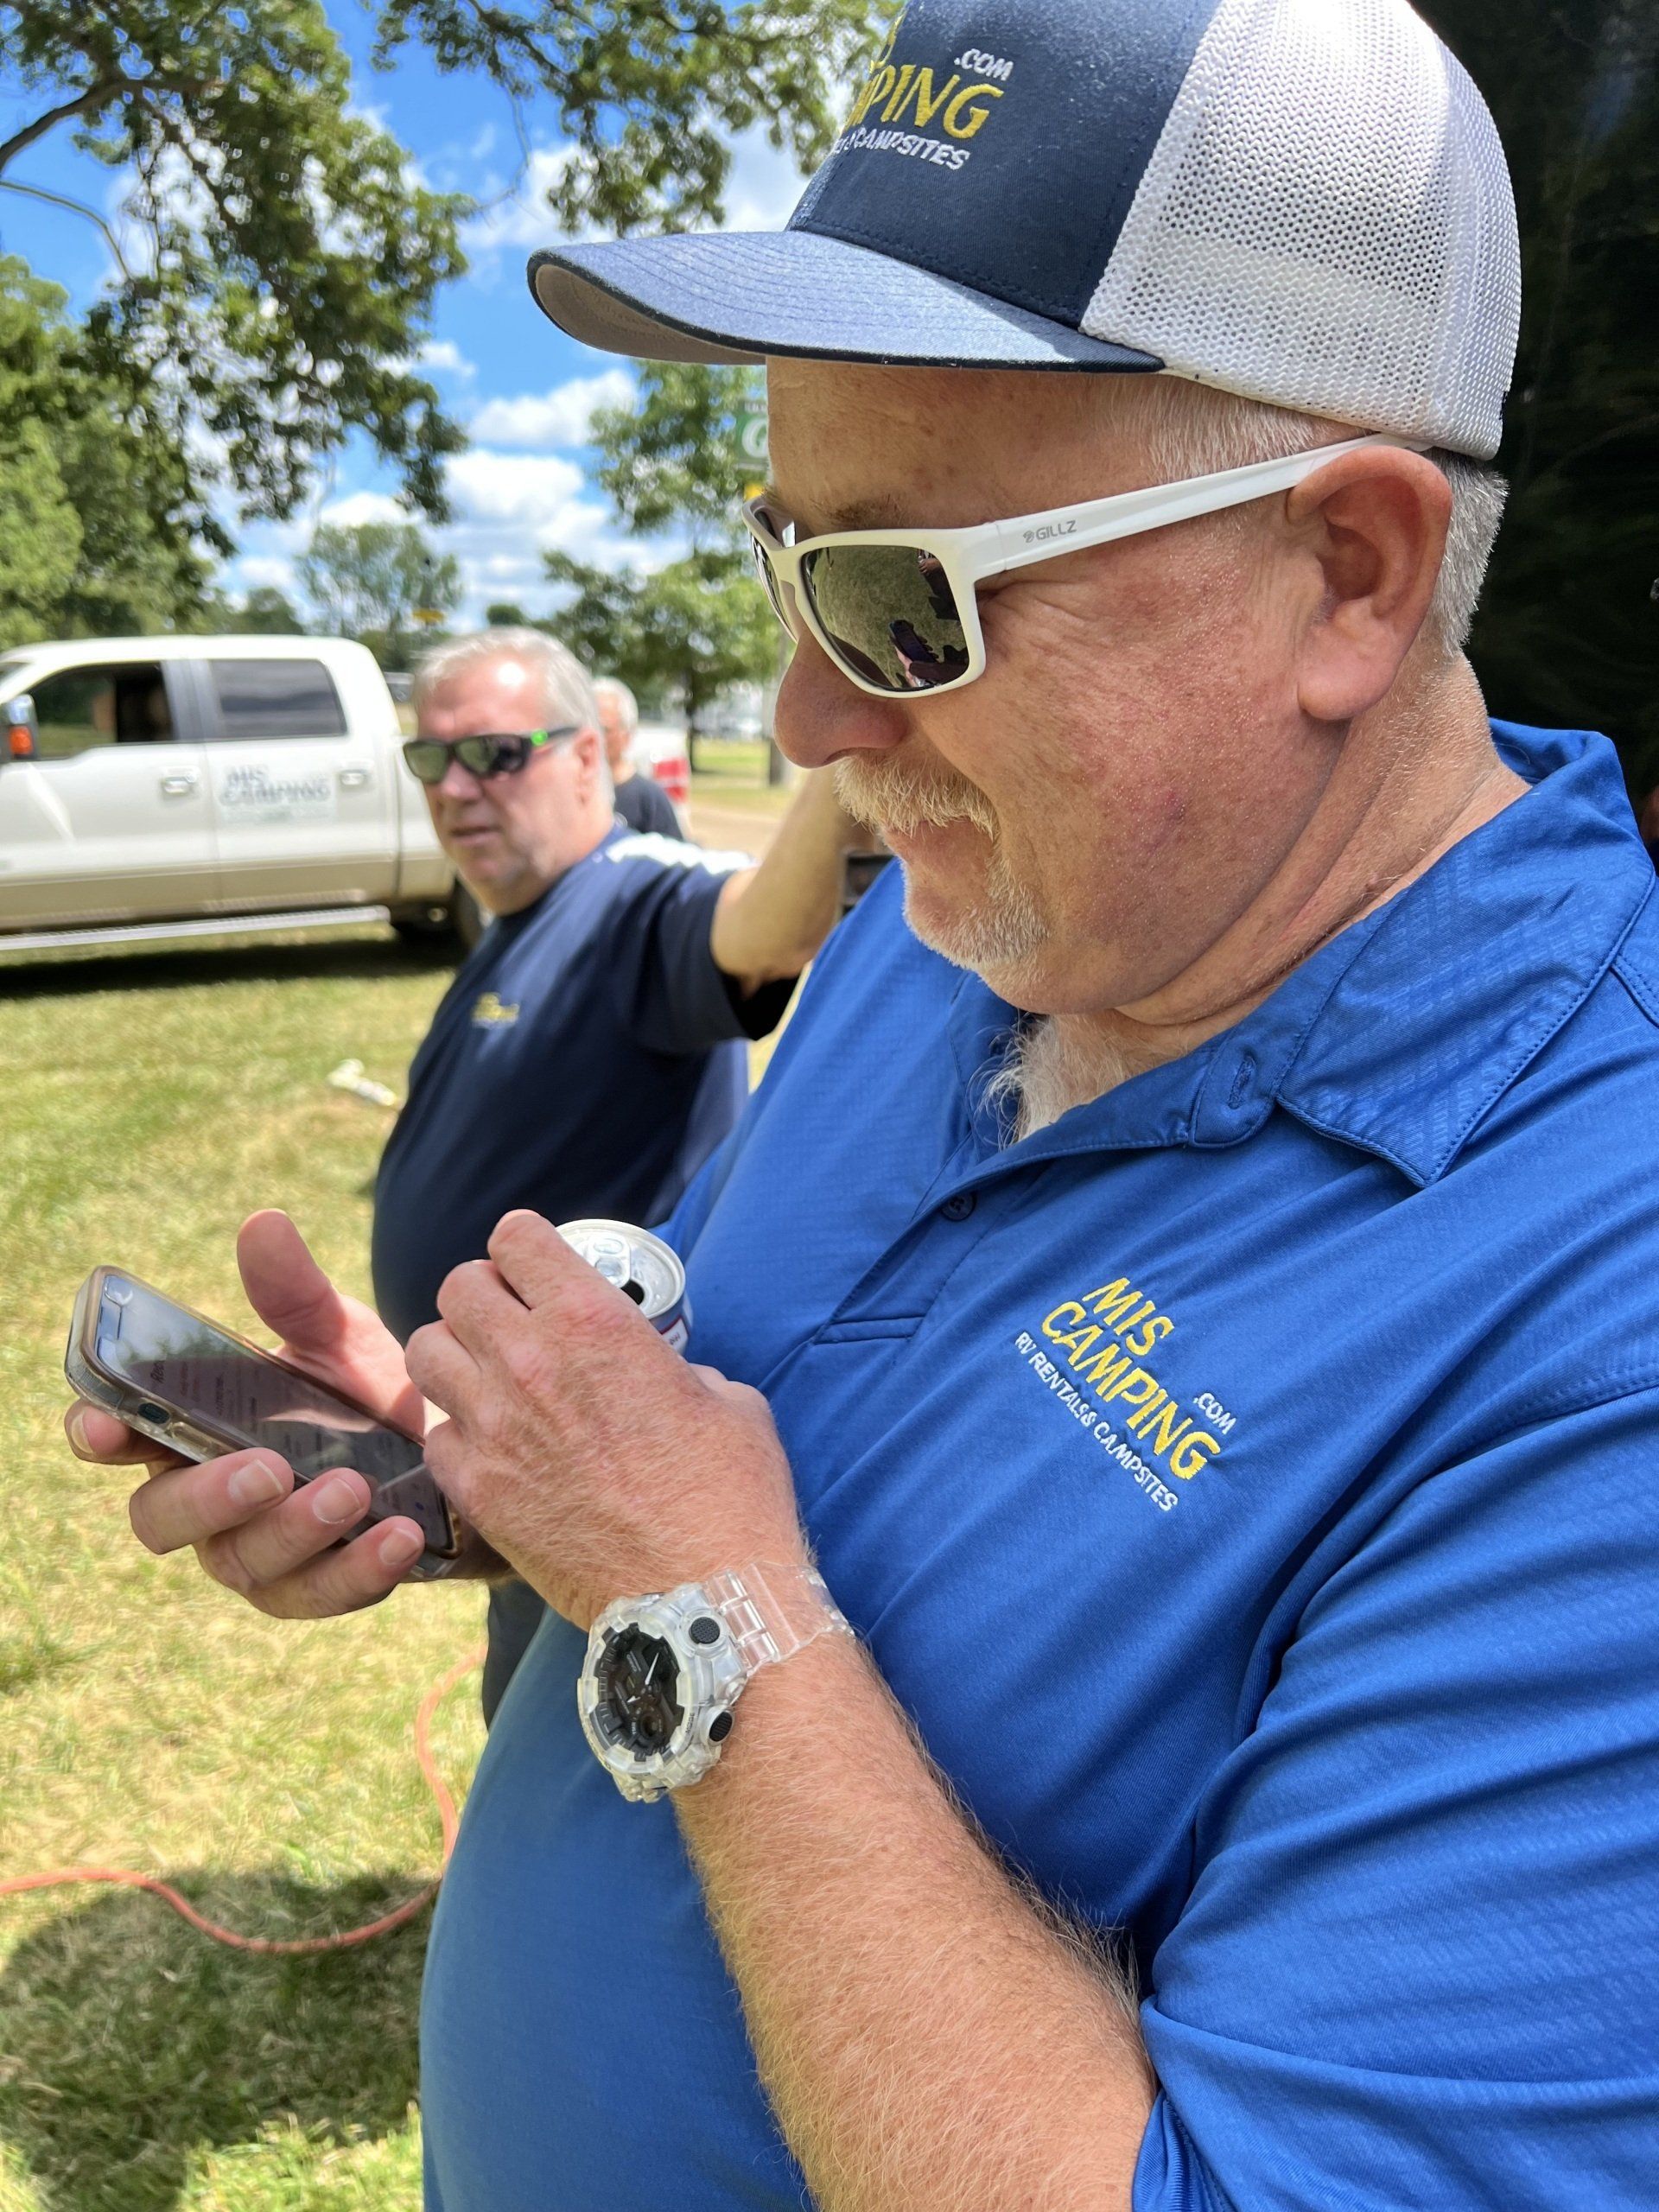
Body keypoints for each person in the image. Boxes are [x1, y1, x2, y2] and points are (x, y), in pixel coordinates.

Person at [71, 3, 1659, 2207]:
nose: (814, 715)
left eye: (907, 599)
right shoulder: (972, 913)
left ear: (1348, 573)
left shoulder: (1603, 1299)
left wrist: (697, 1588)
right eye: (787, 556)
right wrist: (485, 1487)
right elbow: (805, 1462)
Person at [390, 626, 857, 1718]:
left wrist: (847, 735)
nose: (457, 788)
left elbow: (764, 928)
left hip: (599, 1451)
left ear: (592, 757)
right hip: (515, 1438)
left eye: (498, 754)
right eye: (432, 760)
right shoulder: (521, 911)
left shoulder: (630, 894)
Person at [593, 675, 683, 836]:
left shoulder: (649, 799)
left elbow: (672, 857)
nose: (593, 738)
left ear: (627, 734)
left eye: (604, 730)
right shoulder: (570, 793)